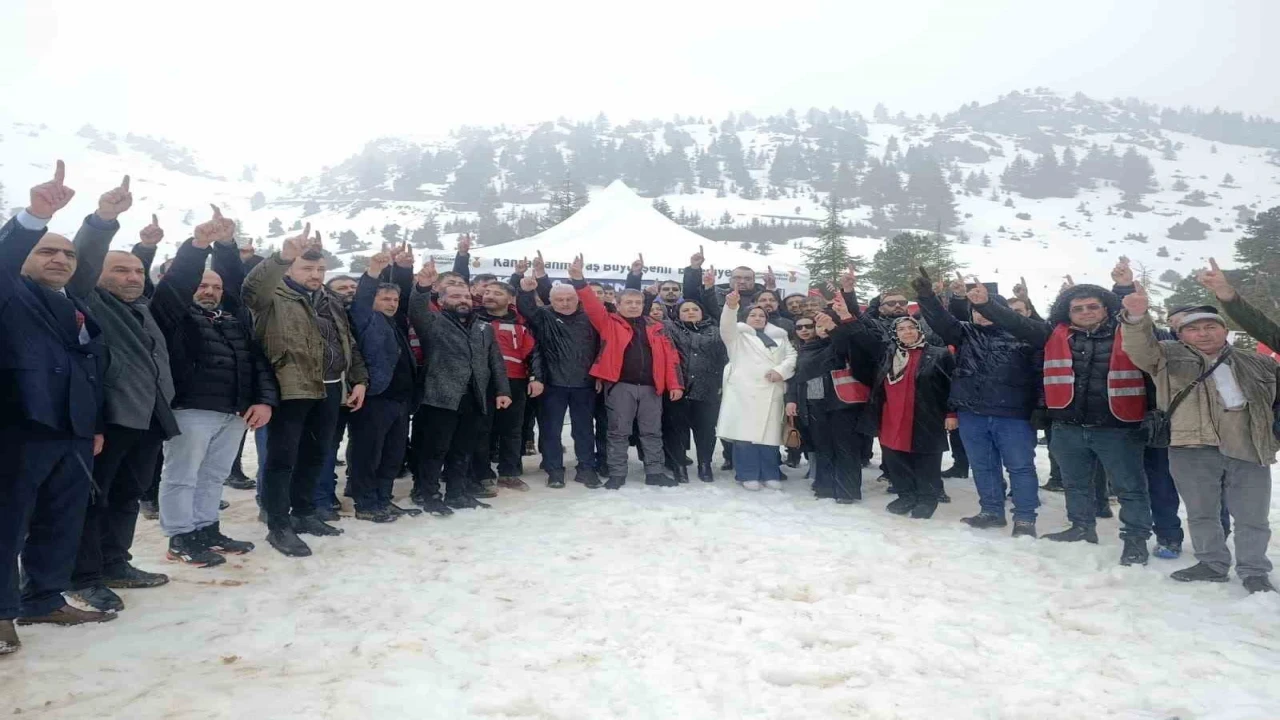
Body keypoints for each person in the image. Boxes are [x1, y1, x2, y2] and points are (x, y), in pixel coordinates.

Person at [1, 163, 117, 655]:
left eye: (67, 254)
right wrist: (34, 216)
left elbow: (88, 369)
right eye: (46, 250)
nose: (59, 259)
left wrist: (91, 426)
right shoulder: (10, 294)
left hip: (71, 432)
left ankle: (43, 597)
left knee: (61, 519)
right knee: (7, 523)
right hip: (19, 429)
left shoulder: (74, 303)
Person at [973, 281, 1154, 566]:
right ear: (1066, 311)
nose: (1085, 312)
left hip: (1117, 426)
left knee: (1129, 488)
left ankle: (1135, 540)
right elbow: (1017, 323)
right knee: (1075, 483)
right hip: (1068, 425)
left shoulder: (1128, 332)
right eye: (1077, 308)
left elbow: (1147, 340)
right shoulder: (1053, 334)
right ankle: (1081, 527)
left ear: (1107, 308)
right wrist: (985, 305)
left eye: (1093, 306)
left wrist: (1131, 301)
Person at [62, 176, 177, 612]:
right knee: (94, 498)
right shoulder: (87, 299)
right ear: (96, 276)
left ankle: (116, 562)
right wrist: (103, 220)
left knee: (129, 494)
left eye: (137, 271)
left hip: (146, 417)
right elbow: (87, 263)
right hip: (108, 419)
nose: (132, 277)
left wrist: (144, 251)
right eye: (120, 270)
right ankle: (83, 575)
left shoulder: (141, 307)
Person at [1120, 282, 1276, 593]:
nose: (1204, 334)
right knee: (1202, 511)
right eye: (1194, 329)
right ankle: (1212, 563)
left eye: (1211, 326)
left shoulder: (1258, 361)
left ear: (1225, 330)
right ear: (1181, 335)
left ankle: (1254, 571)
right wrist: (1136, 317)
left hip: (1248, 444)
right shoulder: (1166, 357)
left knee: (1252, 515)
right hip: (1191, 446)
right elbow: (1138, 347)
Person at [149, 207, 276, 566]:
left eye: (216, 287)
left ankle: (206, 527)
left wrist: (262, 401)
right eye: (202, 285)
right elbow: (175, 285)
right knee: (182, 475)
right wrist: (198, 246)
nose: (210, 291)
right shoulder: (174, 315)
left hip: (233, 410)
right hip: (191, 408)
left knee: (214, 474)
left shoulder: (233, 319)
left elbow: (255, 361)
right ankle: (179, 535)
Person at [243, 225, 369, 557]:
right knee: (282, 459)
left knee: (317, 454)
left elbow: (347, 341)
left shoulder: (329, 299)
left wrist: (358, 379)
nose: (315, 274)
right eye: (307, 268)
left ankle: (303, 513)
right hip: (291, 388)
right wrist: (282, 257)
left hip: (329, 388)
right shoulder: (272, 297)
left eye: (320, 269)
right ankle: (278, 524)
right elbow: (251, 289)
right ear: (290, 269)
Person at [915, 271, 1041, 536]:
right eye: (976, 311)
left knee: (1020, 467)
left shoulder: (1025, 335)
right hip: (973, 413)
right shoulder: (965, 334)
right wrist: (927, 296)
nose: (980, 315)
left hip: (1013, 414)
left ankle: (1025, 518)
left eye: (986, 310)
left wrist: (1040, 409)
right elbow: (940, 320)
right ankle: (992, 511)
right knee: (983, 466)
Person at [568, 254, 682, 489]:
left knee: (652, 432)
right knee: (618, 432)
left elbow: (671, 359)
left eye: (637, 303)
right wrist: (579, 281)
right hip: (620, 387)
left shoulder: (657, 328)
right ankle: (617, 473)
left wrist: (676, 385)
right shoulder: (608, 322)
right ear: (618, 305)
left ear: (644, 306)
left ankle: (655, 472)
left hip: (652, 387)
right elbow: (590, 303)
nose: (633, 306)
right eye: (627, 303)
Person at [408, 261, 512, 509]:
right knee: (435, 450)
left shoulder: (483, 327)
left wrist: (503, 390)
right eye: (455, 296)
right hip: (441, 397)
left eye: (466, 295)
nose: (463, 299)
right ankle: (429, 494)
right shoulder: (433, 322)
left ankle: (457, 492)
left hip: (474, 397)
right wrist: (422, 287)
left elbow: (495, 361)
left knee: (463, 448)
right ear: (442, 300)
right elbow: (416, 309)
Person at [845, 308, 956, 519]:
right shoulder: (888, 353)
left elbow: (952, 386)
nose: (907, 332)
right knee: (895, 459)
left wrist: (951, 413)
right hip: (891, 416)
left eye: (911, 328)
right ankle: (906, 495)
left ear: (919, 330)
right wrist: (846, 315)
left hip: (925, 416)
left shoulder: (938, 354)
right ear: (895, 333)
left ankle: (927, 498)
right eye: (901, 329)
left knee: (927, 461)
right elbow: (862, 338)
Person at [346, 248, 422, 523]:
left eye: (394, 298)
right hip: (375, 398)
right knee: (368, 454)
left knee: (392, 455)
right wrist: (374, 272)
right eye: (385, 298)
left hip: (399, 401)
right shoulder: (366, 318)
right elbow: (363, 299)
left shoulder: (393, 323)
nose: (391, 303)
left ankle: (383, 498)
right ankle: (365, 503)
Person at [516, 264, 600, 488]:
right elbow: (525, 308)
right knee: (550, 430)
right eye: (559, 299)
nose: (565, 303)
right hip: (553, 383)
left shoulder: (590, 317)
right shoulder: (544, 316)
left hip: (584, 383)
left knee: (583, 430)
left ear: (577, 298)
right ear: (550, 300)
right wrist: (525, 290)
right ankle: (554, 469)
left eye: (569, 299)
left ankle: (586, 468)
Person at [717, 290, 796, 490]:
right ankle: (747, 473)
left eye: (762, 316)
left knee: (770, 436)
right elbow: (726, 325)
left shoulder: (780, 337)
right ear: (745, 318)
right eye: (753, 315)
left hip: (772, 391)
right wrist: (731, 306)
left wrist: (781, 371)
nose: (758, 318)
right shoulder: (737, 336)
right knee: (745, 436)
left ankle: (770, 473)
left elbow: (792, 356)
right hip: (744, 394)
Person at [786, 308, 867, 503]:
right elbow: (795, 378)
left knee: (845, 448)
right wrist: (791, 399)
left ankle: (847, 490)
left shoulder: (839, 344)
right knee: (822, 447)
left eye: (813, 326)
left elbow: (841, 346)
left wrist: (833, 331)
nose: (809, 330)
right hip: (815, 404)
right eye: (800, 327)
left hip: (841, 403)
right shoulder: (803, 350)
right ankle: (825, 486)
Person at [472, 280, 544, 492]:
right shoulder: (473, 318)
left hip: (515, 381)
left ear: (511, 299)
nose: (489, 296)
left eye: (497, 293)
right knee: (482, 429)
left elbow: (533, 352)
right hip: (483, 381)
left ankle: (509, 472)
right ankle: (482, 473)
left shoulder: (521, 323)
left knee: (512, 430)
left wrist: (536, 377)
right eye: (487, 292)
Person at [663, 298, 727, 482]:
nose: (690, 312)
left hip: (708, 389)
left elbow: (724, 359)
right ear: (677, 313)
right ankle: (679, 465)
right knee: (676, 430)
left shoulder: (716, 332)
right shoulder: (670, 329)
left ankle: (704, 464)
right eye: (685, 310)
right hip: (678, 389)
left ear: (702, 312)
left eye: (694, 309)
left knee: (706, 430)